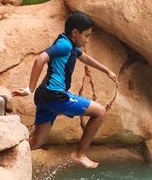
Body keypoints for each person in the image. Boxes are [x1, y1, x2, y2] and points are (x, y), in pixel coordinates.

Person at [12, 11, 117, 168]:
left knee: (37, 141)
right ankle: (79, 153)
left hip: (45, 96)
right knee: (100, 112)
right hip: (55, 95)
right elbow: (40, 59)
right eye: (87, 36)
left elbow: (86, 58)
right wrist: (29, 88)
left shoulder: (70, 45)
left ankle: (9, 153)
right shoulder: (64, 45)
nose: (87, 40)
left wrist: (106, 70)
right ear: (75, 32)